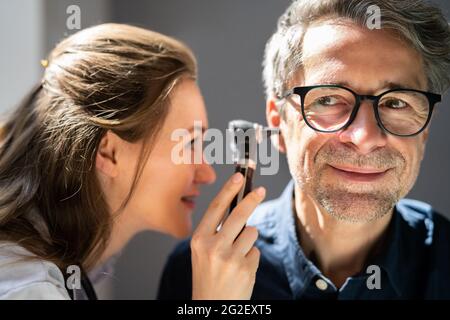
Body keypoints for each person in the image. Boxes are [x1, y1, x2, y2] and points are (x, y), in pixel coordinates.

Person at [158, 0, 450, 299]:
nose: (363, 136)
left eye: (397, 103)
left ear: (424, 130)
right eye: (328, 99)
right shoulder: (196, 273)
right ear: (278, 122)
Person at [0, 23, 265, 300]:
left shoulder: (77, 270)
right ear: (109, 153)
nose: (207, 174)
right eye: (189, 144)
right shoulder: (29, 289)